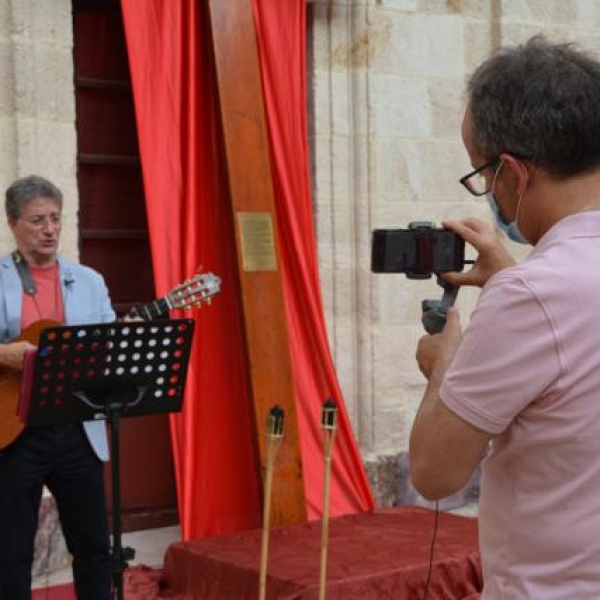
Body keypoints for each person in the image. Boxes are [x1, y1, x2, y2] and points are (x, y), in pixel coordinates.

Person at [409, 36, 600, 598]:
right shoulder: (537, 289)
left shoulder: (533, 295)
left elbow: (435, 473)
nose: (487, 191)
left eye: (481, 173)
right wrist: (511, 278)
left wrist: (446, 363)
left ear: (513, 173)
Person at [0, 175, 114, 599]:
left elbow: (109, 346)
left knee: (93, 547)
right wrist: (4, 354)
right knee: (11, 555)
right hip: (15, 430)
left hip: (76, 426)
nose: (49, 229)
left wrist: (125, 337)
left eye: (55, 219)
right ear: (13, 224)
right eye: (37, 221)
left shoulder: (89, 280)